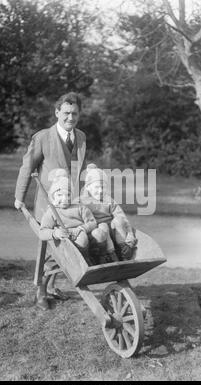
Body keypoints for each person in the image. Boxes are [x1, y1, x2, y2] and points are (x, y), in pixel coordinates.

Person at [14, 92, 87, 309]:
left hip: (71, 203)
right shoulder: (43, 137)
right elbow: (27, 168)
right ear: (57, 112)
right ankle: (41, 292)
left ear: (79, 114)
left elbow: (78, 169)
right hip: (49, 204)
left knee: (67, 244)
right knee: (49, 247)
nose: (70, 118)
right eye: (66, 113)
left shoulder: (81, 137)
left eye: (74, 113)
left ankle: (53, 286)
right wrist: (19, 197)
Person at [37, 169, 102, 309]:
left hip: (78, 238)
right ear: (53, 196)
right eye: (59, 195)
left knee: (83, 239)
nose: (64, 198)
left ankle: (84, 262)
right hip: (61, 245)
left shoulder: (79, 208)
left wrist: (83, 228)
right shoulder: (52, 212)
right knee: (49, 266)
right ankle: (41, 294)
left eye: (67, 195)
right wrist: (55, 233)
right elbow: (42, 232)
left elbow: (92, 222)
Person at [81, 164, 138, 262]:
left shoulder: (108, 200)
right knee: (103, 226)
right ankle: (109, 254)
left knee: (119, 220)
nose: (100, 191)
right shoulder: (83, 202)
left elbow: (123, 219)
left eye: (103, 187)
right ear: (88, 187)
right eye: (96, 187)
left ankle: (123, 249)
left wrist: (130, 240)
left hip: (114, 235)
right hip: (97, 237)